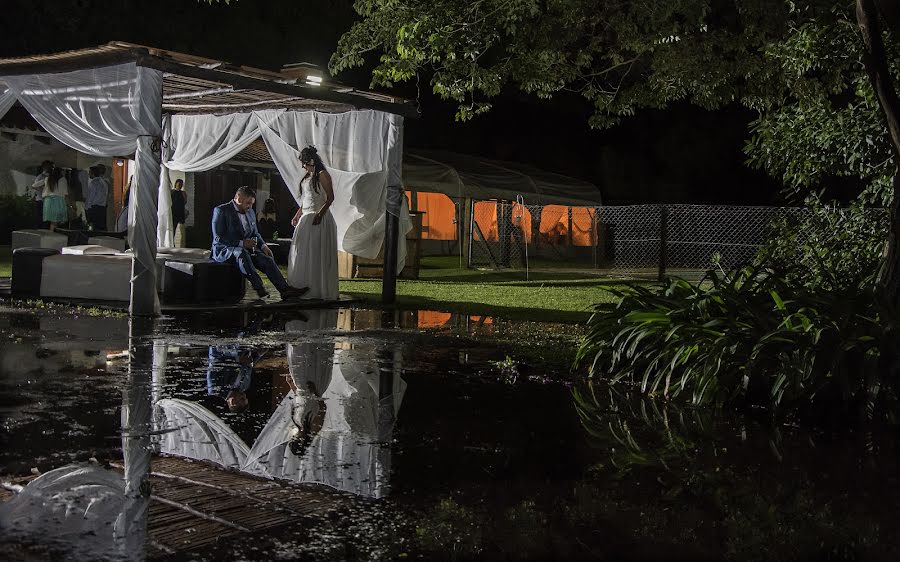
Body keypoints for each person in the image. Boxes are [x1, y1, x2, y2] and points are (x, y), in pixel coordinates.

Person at [212, 185, 308, 301]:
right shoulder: (221, 211)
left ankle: (285, 290)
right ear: (239, 198)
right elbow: (219, 238)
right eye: (248, 203)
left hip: (246, 250)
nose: (250, 207)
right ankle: (259, 287)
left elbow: (255, 233)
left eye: (252, 204)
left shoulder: (250, 212)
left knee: (266, 259)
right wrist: (242, 243)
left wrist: (263, 246)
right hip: (225, 250)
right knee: (242, 252)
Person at [288, 145, 338, 300]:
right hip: (306, 217)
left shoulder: (322, 175)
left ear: (310, 160)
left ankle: (317, 289)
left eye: (304, 162)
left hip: (319, 219)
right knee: (303, 252)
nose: (303, 166)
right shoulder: (307, 177)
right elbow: (306, 200)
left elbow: (330, 198)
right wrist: (297, 214)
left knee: (316, 254)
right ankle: (302, 287)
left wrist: (320, 214)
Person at [206, 345, 256, 413]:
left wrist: (237, 359)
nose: (244, 395)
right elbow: (249, 366)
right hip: (244, 348)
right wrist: (258, 354)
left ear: (233, 401)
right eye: (246, 398)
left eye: (242, 399)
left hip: (222, 347)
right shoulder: (245, 387)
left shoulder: (215, 389)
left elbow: (214, 360)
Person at [40, 166, 69, 231]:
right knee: (56, 222)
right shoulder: (63, 179)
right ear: (61, 171)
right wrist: (69, 205)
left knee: (53, 222)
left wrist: (43, 190)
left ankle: (52, 236)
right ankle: (53, 236)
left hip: (48, 201)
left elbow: (34, 185)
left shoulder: (48, 178)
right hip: (58, 201)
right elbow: (65, 193)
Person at [28, 160, 52, 228]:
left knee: (45, 218)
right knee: (40, 218)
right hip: (41, 200)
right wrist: (44, 191)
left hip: (45, 200)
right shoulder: (41, 176)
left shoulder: (49, 176)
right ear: (44, 167)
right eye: (48, 166)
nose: (50, 168)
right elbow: (34, 186)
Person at [85, 166, 109, 231]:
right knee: (101, 228)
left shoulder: (93, 183)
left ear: (93, 173)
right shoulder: (104, 183)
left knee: (93, 228)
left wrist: (87, 209)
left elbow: (90, 197)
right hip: (102, 208)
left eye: (89, 172)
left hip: (94, 208)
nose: (88, 174)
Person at [171, 178, 187, 247]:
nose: (180, 185)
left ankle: (182, 245)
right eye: (179, 184)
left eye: (181, 184)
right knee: (173, 229)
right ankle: (172, 244)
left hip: (180, 212)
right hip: (174, 213)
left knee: (182, 231)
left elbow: (185, 202)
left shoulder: (183, 193)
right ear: (176, 184)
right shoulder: (172, 192)